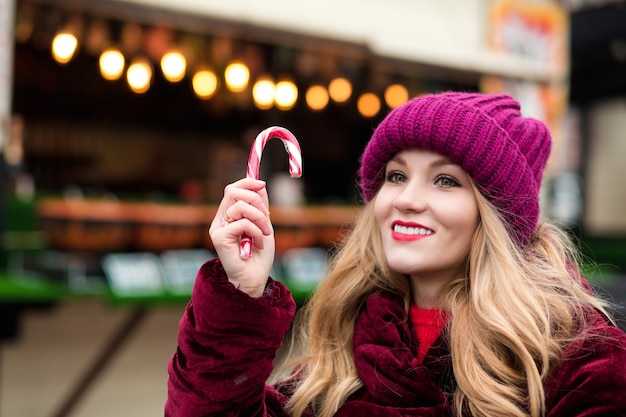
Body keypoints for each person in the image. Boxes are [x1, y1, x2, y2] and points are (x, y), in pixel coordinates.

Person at [165, 92, 626, 417]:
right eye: (396, 175)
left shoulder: (579, 361)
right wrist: (242, 295)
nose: (405, 198)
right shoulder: (346, 349)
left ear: (497, 216)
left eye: (445, 180)